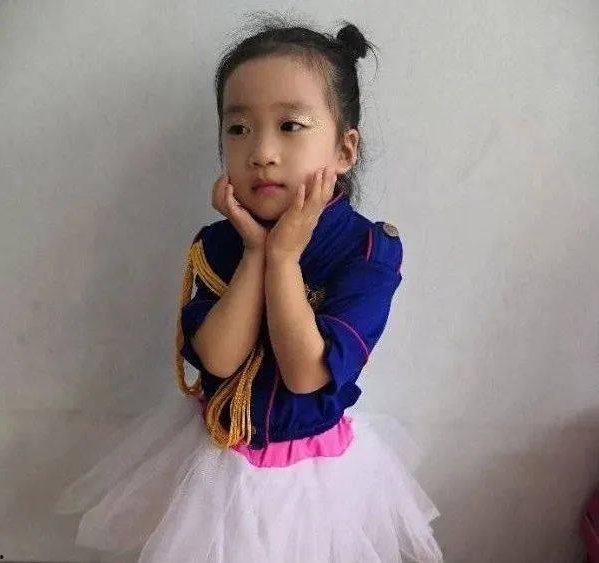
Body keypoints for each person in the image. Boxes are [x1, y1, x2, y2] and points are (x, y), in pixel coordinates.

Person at [55, 16, 444, 562]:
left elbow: (306, 374)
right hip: (218, 461)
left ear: (344, 150)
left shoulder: (367, 251)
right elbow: (218, 357)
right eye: (238, 129)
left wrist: (283, 257)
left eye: (291, 125)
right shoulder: (218, 243)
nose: (261, 150)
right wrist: (257, 253)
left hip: (312, 478)